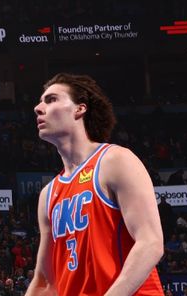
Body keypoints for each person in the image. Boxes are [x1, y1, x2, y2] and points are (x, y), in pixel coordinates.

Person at [27, 73, 164, 296]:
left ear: (79, 109)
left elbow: (150, 243)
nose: (38, 108)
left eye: (51, 100)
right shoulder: (48, 194)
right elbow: (45, 282)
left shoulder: (115, 160)